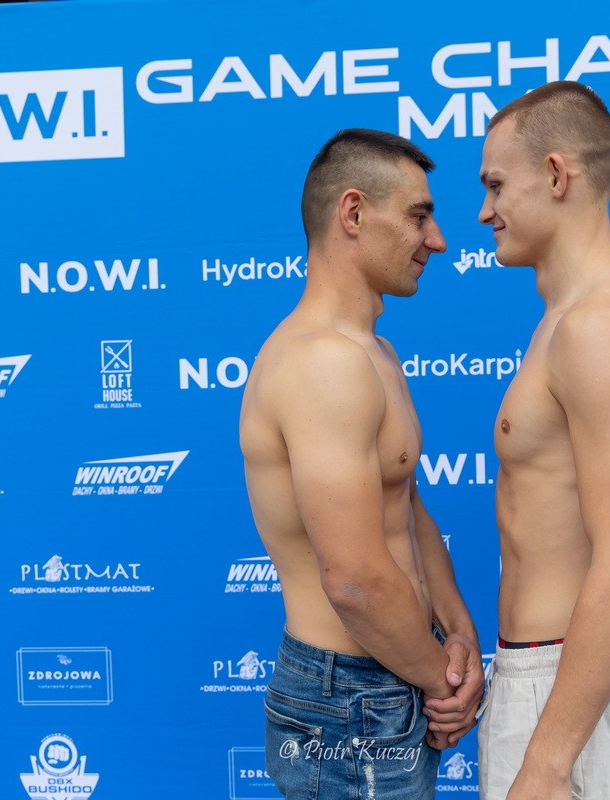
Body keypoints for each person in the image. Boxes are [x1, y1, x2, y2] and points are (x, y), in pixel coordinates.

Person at [239, 128, 484, 800]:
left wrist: (459, 634)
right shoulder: (323, 363)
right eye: (418, 216)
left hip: (392, 675)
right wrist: (443, 682)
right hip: (349, 697)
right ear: (352, 212)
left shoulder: (373, 352)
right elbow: (353, 580)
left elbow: (406, 510)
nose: (437, 240)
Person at [474, 82, 610, 800]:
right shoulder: (568, 321)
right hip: (546, 682)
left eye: (495, 185)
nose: (484, 212)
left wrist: (547, 763)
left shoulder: (603, 327)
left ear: (557, 175)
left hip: (566, 697)